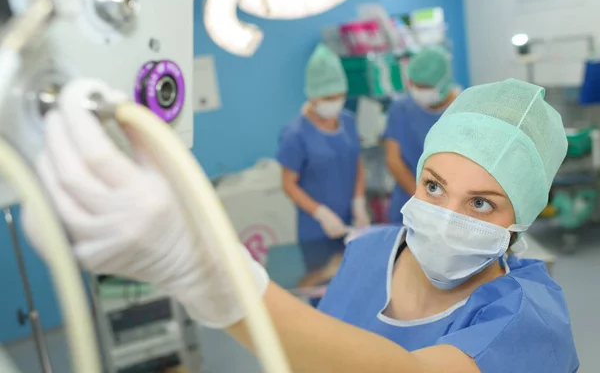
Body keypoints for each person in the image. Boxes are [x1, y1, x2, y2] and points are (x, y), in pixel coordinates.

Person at [25, 78, 579, 372]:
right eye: (433, 186)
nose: (445, 215)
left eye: (482, 204)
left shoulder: (528, 319)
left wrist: (207, 272)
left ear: (519, 220)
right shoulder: (370, 254)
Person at [276, 43, 370, 243]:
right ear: (312, 95)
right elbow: (288, 184)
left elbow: (357, 162)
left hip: (351, 219)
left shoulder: (348, 121)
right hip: (316, 228)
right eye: (329, 97)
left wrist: (359, 202)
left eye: (340, 96)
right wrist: (321, 213)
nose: (336, 102)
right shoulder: (295, 134)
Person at [384, 47, 459, 224]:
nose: (419, 91)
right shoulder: (401, 108)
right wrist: (423, 200)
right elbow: (393, 161)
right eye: (415, 85)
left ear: (444, 82)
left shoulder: (463, 111)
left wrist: (443, 205)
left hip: (452, 208)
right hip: (409, 201)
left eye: (426, 87)